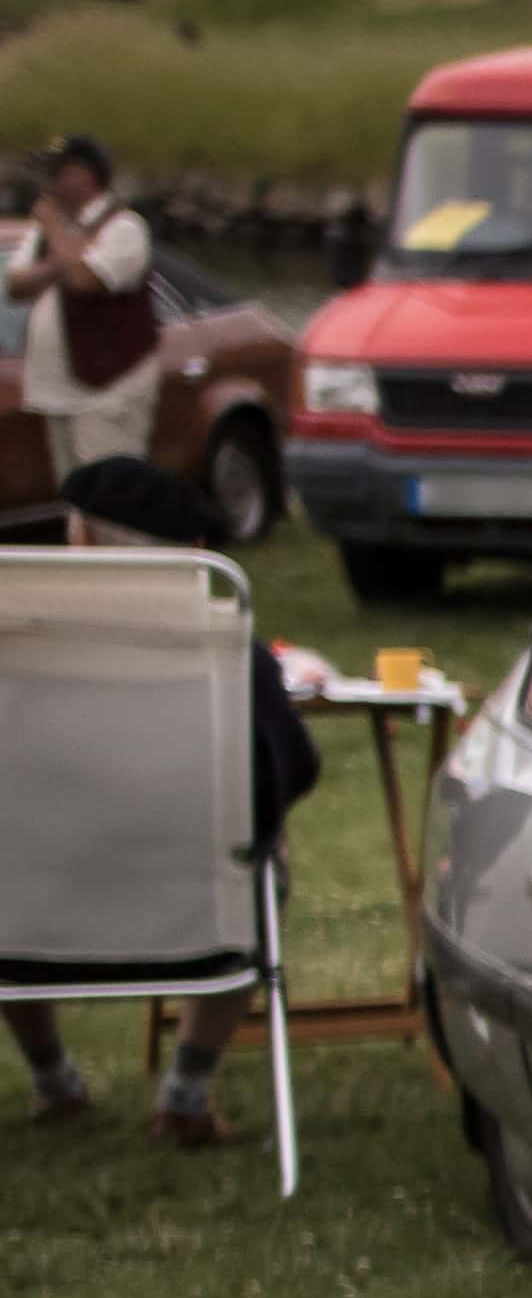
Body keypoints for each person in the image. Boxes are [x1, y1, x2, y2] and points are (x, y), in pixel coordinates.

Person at [7, 459, 322, 1143]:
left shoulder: (13, 646)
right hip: (194, 927)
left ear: (83, 542)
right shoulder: (229, 655)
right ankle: (185, 1095)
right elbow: (292, 769)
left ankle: (53, 1079)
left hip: (20, 924)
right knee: (262, 866)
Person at [7, 135, 163, 472]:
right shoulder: (48, 233)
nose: (47, 183)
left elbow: (85, 281)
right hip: (57, 393)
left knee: (111, 501)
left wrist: (55, 232)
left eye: (57, 172)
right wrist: (60, 259)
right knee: (75, 502)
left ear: (85, 176)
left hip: (106, 395)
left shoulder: (124, 228)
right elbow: (16, 285)